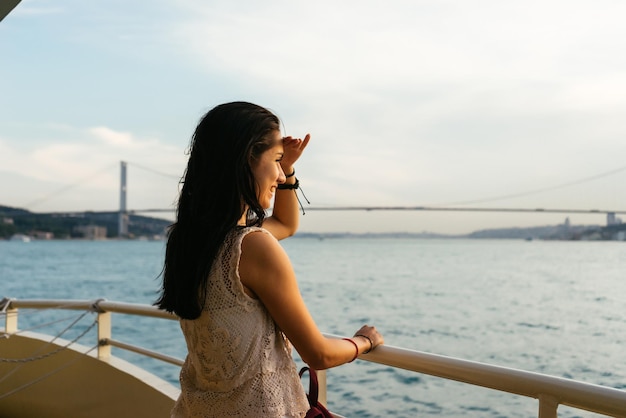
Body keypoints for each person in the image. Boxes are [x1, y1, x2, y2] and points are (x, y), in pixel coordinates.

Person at [156, 101, 384, 418]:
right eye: (275, 161)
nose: (278, 175)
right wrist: (364, 341)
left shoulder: (188, 240)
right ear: (246, 159)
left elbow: (286, 225)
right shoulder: (252, 246)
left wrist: (288, 168)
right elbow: (318, 354)